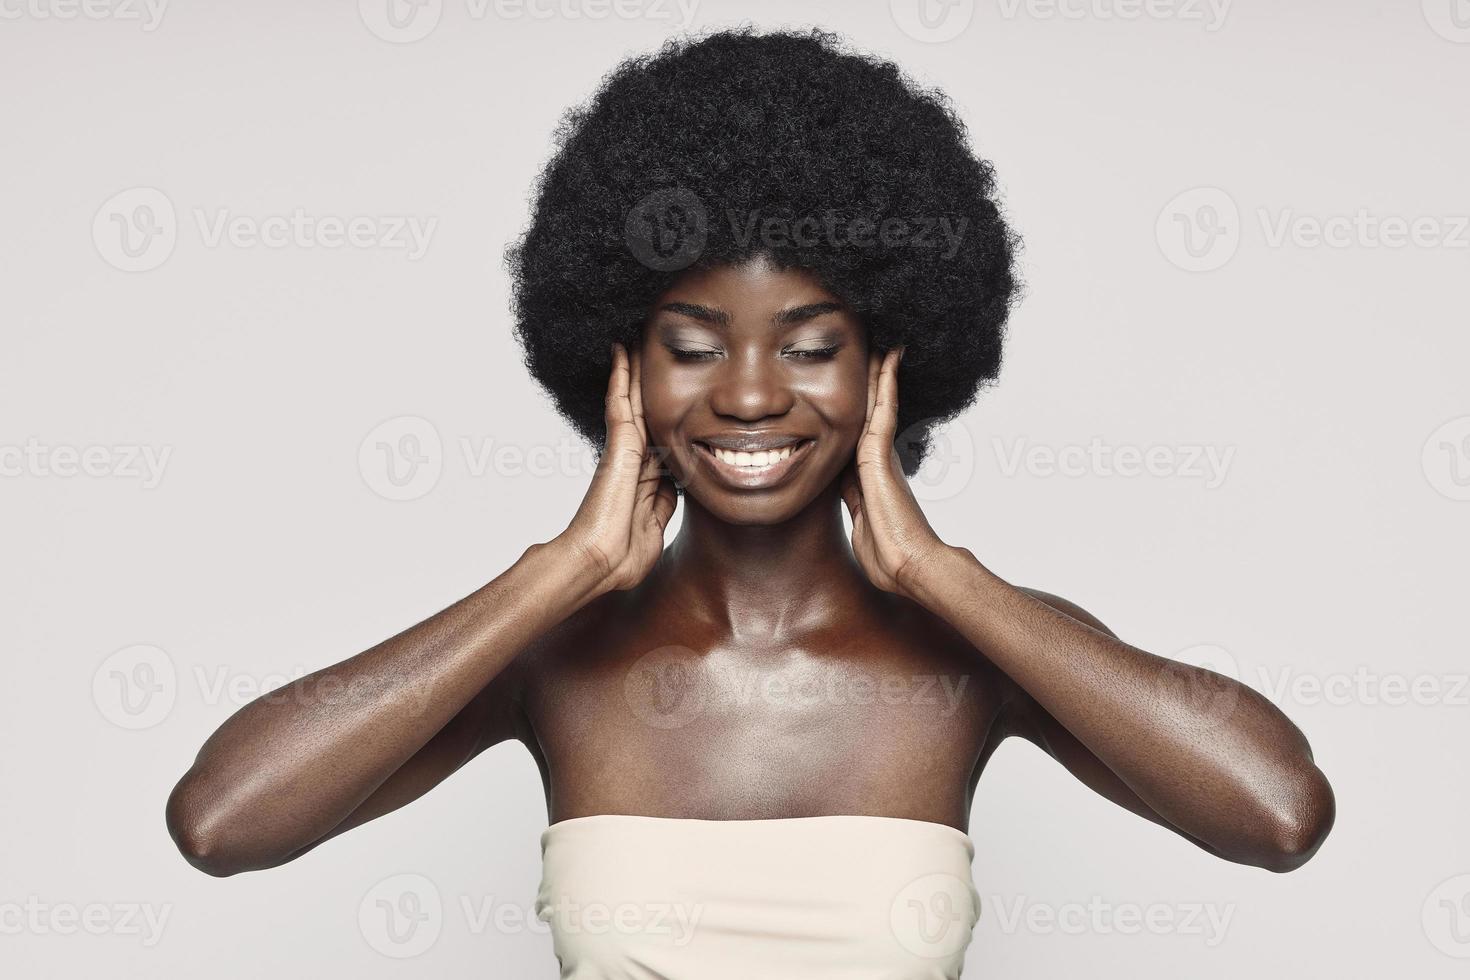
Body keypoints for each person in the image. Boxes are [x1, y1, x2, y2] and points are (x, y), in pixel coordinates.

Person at [165, 27, 1335, 978]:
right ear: (621, 366)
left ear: (891, 363)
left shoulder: (974, 650)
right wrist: (555, 572)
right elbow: (222, 821)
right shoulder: (551, 657)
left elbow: (1279, 811)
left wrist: (941, 572)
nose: (751, 393)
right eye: (691, 344)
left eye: (813, 344)